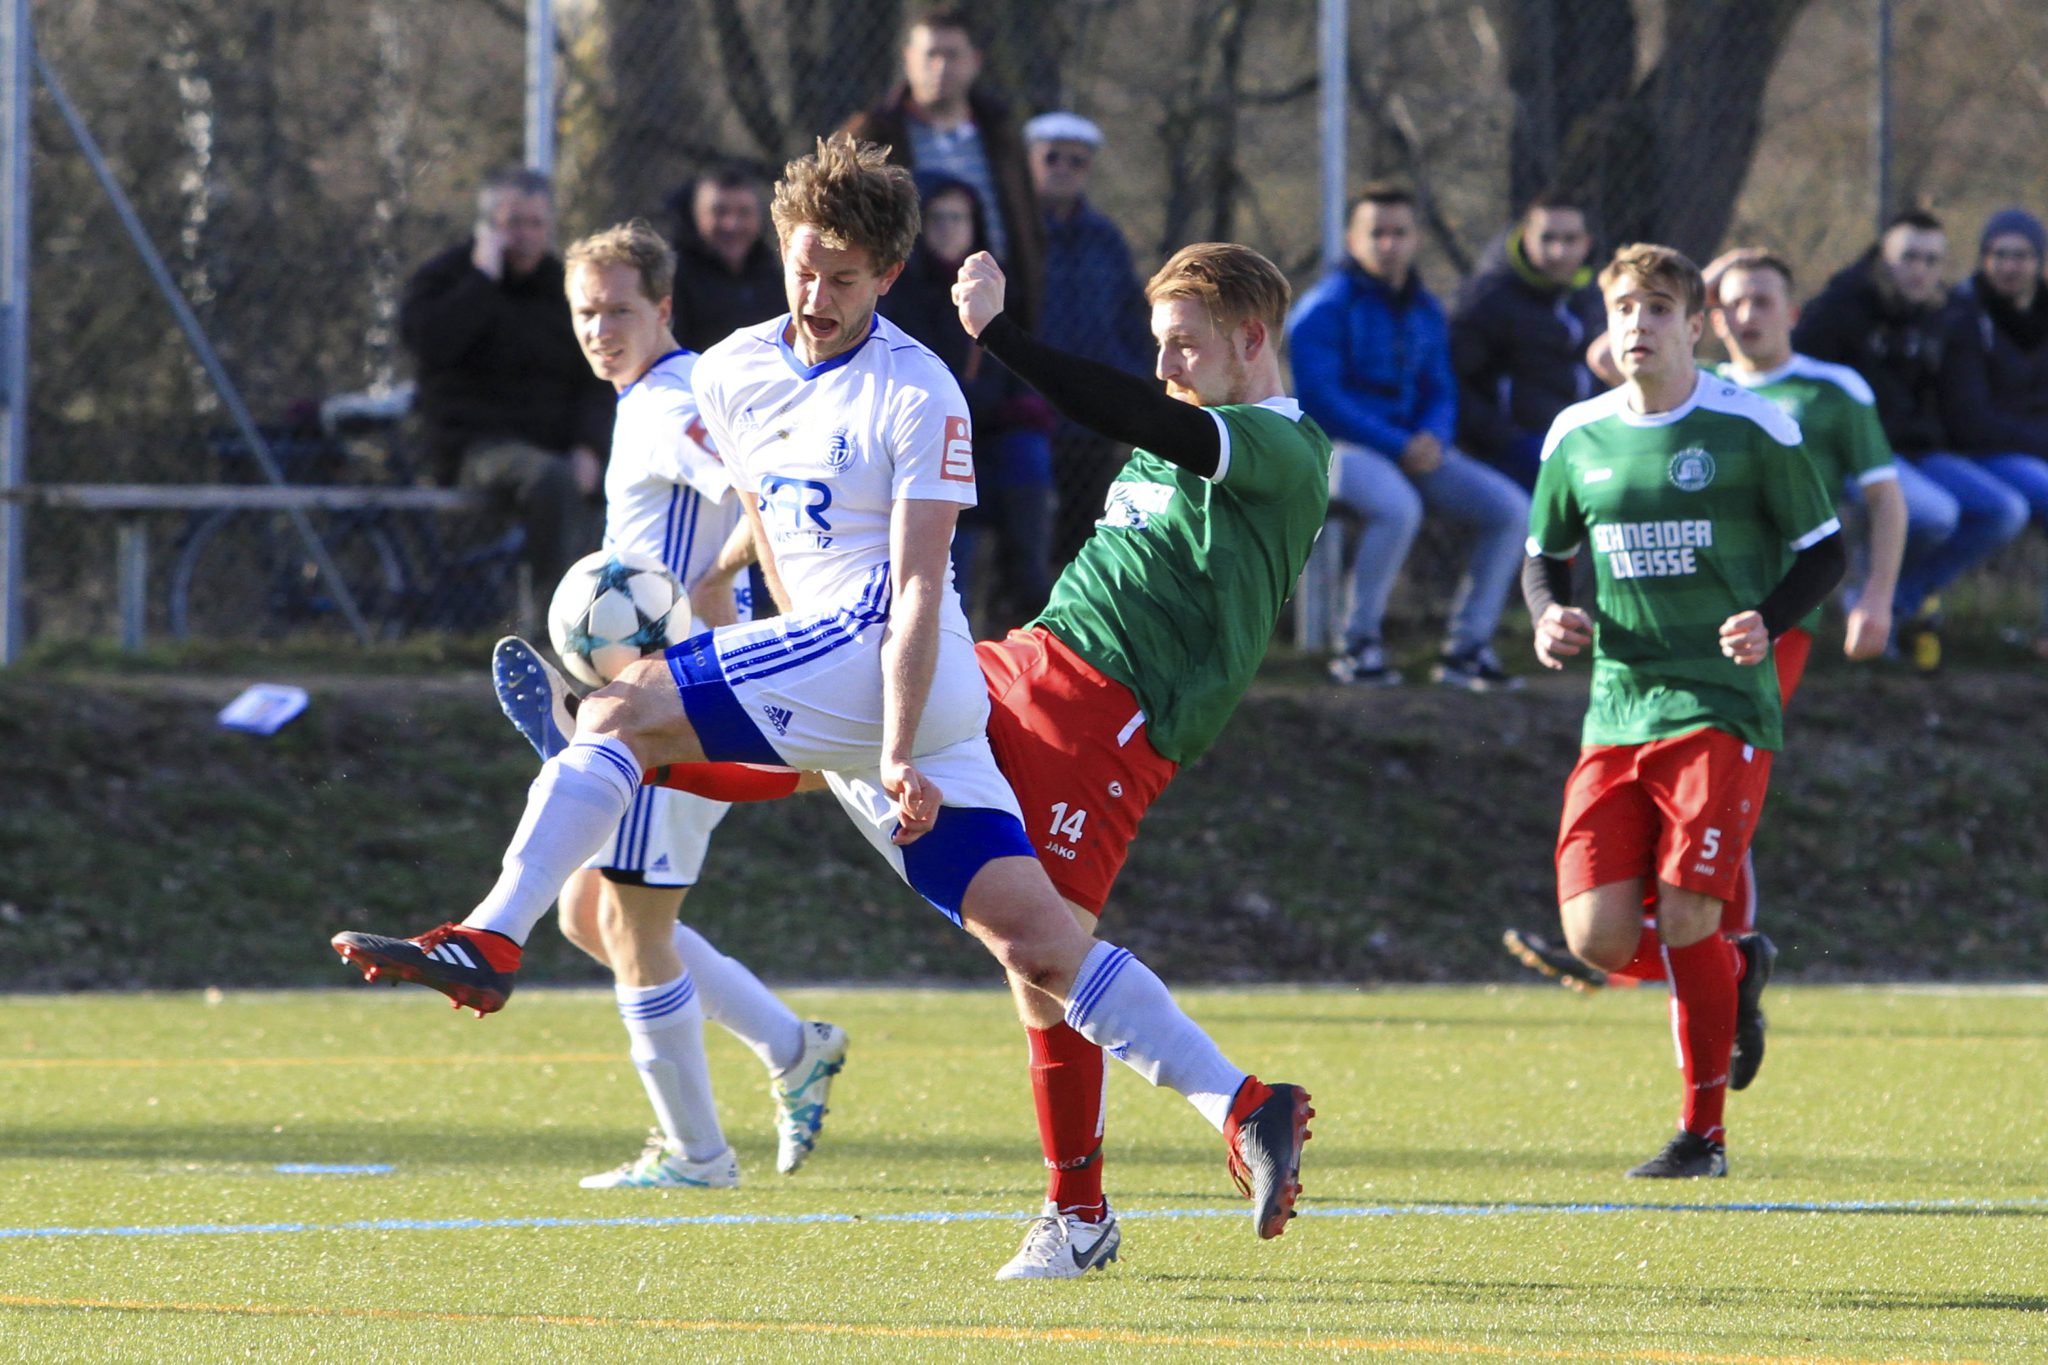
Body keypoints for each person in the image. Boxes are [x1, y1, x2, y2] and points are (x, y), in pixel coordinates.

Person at [331, 134, 1311, 1266]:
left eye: (846, 276)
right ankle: (1222, 1120)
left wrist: (1004, 338)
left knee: (624, 715)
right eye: (806, 268)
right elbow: (775, 517)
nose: (818, 292)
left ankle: (496, 931)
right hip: (1002, 670)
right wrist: (756, 627)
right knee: (1036, 949)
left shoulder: (1244, 444)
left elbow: (924, 580)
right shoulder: (735, 369)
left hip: (1063, 709)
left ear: (887, 278)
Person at [641, 237, 1332, 1278]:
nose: (1165, 368)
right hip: (1023, 665)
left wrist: (999, 337)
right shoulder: (1188, 424)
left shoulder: (1283, 451)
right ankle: (642, 746)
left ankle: (1113, 1191)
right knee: (866, 733)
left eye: (1184, 346)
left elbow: (1134, 415)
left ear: (1250, 339)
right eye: (1156, 346)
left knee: (1041, 959)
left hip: (1107, 726)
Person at [493, 219, 845, 1191]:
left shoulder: (667, 401)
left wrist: (767, 629)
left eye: (619, 310)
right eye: (585, 312)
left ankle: (697, 1156)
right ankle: (790, 1045)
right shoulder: (645, 397)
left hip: (667, 704)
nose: (600, 328)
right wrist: (722, 601)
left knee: (634, 929)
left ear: (663, 309)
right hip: (659, 692)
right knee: (586, 913)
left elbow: (755, 495)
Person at [1522, 243, 1845, 1178]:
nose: (1639, 325)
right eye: (1625, 308)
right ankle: (1733, 975)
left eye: (1660, 309)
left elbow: (1823, 551)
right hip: (1618, 708)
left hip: (1721, 705)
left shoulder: (1755, 429)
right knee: (1598, 937)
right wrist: (1551, 617)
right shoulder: (1576, 435)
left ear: (1694, 324)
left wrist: (1766, 619)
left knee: (1693, 912)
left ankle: (1702, 1134)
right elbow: (1544, 554)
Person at [1504, 248, 1905, 995]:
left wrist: (1876, 595)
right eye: (1736, 301)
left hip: (1763, 629)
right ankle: (1677, 952)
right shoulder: (1689, 386)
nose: (1750, 313)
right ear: (1714, 320)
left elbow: (1876, 505)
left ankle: (1716, 947)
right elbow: (1615, 343)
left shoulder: (1824, 393)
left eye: (1765, 299)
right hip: (1642, 657)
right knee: (1686, 806)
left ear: (1792, 310)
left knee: (1720, 789)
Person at [1289, 182, 1532, 690]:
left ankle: (1467, 651)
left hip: (1415, 449)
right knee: (1399, 508)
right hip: (1337, 451)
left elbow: (1440, 387)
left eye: (1400, 232)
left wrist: (1433, 437)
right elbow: (1321, 400)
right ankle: (1358, 648)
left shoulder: (1423, 307)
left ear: (1416, 237)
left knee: (1511, 510)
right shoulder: (1324, 307)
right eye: (1376, 233)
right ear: (1353, 240)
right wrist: (1400, 445)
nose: (1389, 244)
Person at [1795, 209, 2025, 669]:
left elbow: (1957, 403)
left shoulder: (1946, 315)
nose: (1920, 270)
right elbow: (1800, 375)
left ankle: (1890, 603)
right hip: (1857, 454)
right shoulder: (1842, 308)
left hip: (1918, 450)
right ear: (1883, 258)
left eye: (1932, 260)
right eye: (1909, 257)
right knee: (1935, 513)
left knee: (2004, 510)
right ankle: (1876, 601)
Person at [400, 167, 612, 591]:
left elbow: (596, 377)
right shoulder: (447, 280)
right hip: (477, 448)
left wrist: (590, 446)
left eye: (536, 223)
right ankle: (549, 630)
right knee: (549, 478)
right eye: (513, 223)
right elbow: (431, 346)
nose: (526, 235)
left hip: (558, 445)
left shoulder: (565, 288)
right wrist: (483, 279)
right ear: (488, 227)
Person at [880, 172, 1055, 630]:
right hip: (927, 437)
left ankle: (1027, 597)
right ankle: (944, 615)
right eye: (935, 217)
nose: (947, 227)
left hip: (992, 428)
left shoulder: (998, 288)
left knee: (1028, 454)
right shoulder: (897, 293)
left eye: (959, 217)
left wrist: (1020, 408)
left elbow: (1019, 362)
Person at [840, 7, 1043, 330]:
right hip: (906, 299)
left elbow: (1025, 225)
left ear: (975, 61)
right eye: (931, 54)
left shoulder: (1001, 134)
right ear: (908, 58)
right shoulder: (872, 136)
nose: (941, 66)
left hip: (996, 299)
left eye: (952, 55)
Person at [1024, 111, 1157, 565]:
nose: (1063, 168)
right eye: (1052, 157)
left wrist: (1126, 381)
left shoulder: (1106, 239)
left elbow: (1130, 318)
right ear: (1030, 161)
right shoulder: (1015, 233)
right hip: (1027, 407)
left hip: (1091, 412)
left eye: (1076, 162)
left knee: (1081, 533)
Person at [1937, 208, 2048, 659]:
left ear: (2037, 261)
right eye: (1999, 254)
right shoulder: (1964, 316)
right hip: (1980, 451)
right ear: (1983, 259)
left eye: (2020, 255)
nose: (2009, 265)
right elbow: (1971, 421)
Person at [1450, 190, 1606, 490]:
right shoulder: (1488, 300)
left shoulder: (1593, 298)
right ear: (1525, 237)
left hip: (1587, 437)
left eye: (1570, 240)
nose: (1559, 251)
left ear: (1586, 243)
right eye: (1548, 238)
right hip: (1518, 444)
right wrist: (1504, 437)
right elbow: (1455, 381)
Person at [665, 162, 785, 355]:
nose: (732, 225)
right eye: (719, 212)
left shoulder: (776, 276)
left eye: (744, 212)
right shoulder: (673, 278)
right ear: (697, 215)